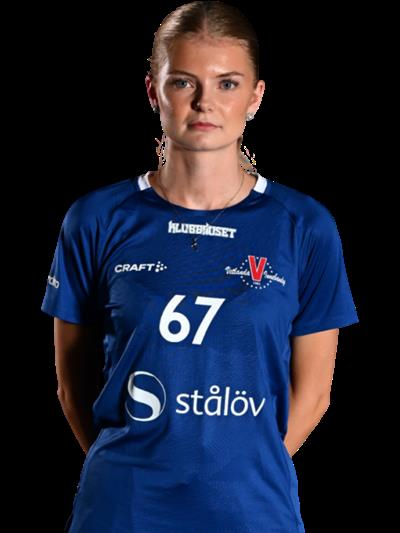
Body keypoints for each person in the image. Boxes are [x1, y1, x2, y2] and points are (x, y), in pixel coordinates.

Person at [41, 2, 360, 532]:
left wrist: (235, 473)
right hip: (123, 510)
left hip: (252, 512)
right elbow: (72, 389)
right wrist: (133, 470)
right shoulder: (96, 218)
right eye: (183, 82)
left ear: (256, 96)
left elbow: (314, 394)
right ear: (154, 92)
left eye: (227, 84)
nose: (205, 102)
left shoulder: (305, 226)